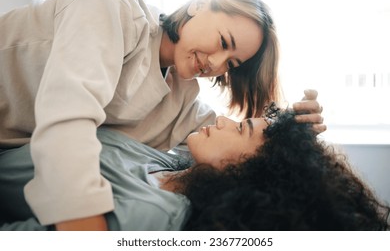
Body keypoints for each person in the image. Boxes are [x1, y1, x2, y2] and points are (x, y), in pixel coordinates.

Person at [0, 0, 325, 230]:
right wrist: (84, 232)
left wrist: (293, 131)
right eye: (224, 43)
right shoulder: (115, 7)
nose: (216, 63)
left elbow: (239, 155)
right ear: (200, 4)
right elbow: (67, 117)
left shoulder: (180, 98)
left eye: (232, 63)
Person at [0, 105, 387, 231]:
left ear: (247, 169)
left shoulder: (153, 213)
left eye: (242, 127)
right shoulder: (179, 165)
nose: (226, 120)